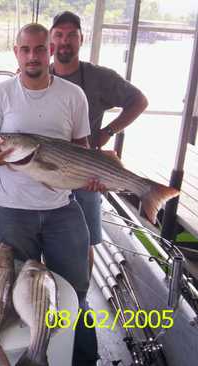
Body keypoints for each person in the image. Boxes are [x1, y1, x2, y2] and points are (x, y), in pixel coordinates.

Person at [0, 23, 99, 366]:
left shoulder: (73, 96)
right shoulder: (0, 93)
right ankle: (26, 356)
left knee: (77, 290)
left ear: (49, 51)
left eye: (39, 49)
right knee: (14, 292)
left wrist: (89, 176)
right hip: (14, 210)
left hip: (62, 207)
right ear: (16, 53)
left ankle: (84, 358)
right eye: (25, 50)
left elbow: (82, 149)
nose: (33, 56)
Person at [50, 11, 148, 271]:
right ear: (50, 42)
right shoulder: (36, 77)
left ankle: (81, 303)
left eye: (72, 35)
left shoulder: (99, 78)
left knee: (85, 243)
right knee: (45, 239)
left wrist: (108, 132)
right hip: (47, 170)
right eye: (59, 35)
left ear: (82, 39)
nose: (65, 41)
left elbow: (139, 101)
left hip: (87, 172)